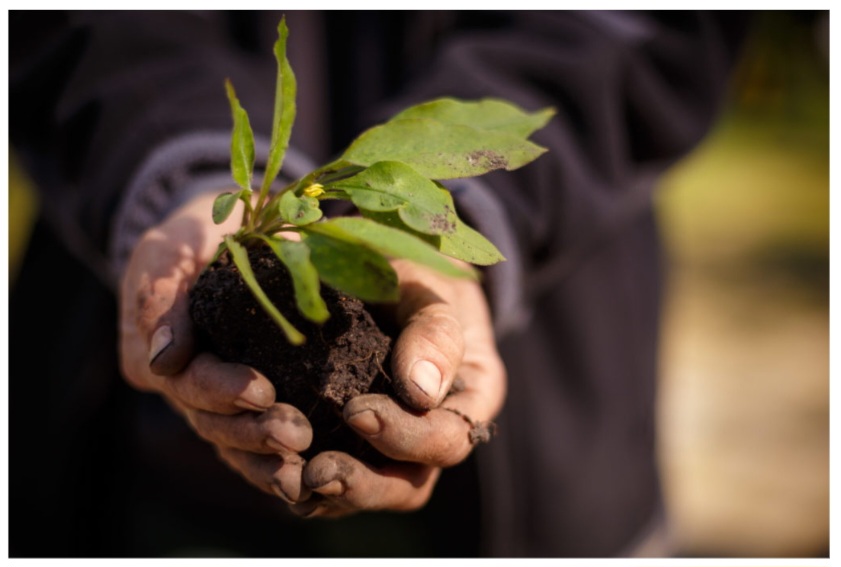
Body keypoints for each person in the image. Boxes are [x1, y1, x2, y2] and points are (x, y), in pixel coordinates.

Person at [9, 10, 750, 557]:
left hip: (556, 474)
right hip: (130, 480)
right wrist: (180, 174)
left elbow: (647, 30)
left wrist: (440, 225)